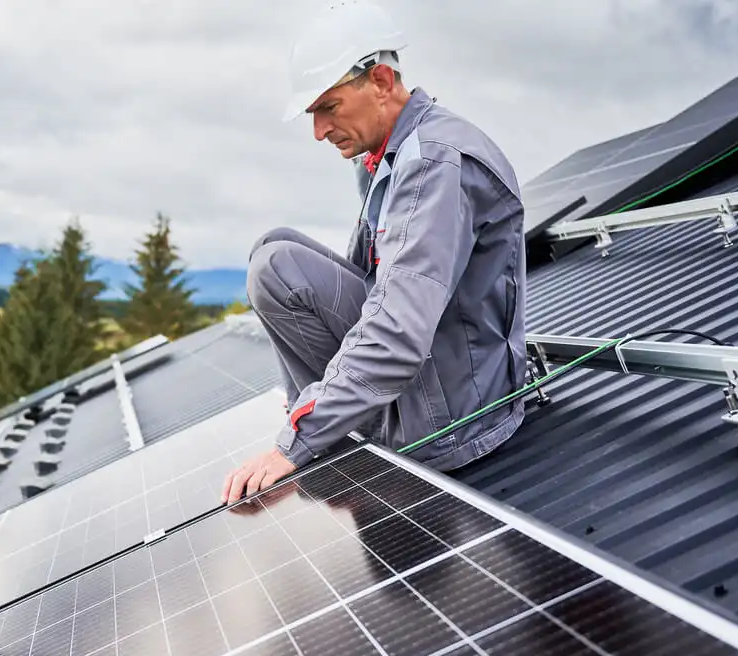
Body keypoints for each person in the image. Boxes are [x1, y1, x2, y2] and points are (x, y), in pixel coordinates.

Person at [222, 0, 527, 504]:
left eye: (328, 107)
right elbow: (372, 283)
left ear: (381, 81)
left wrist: (296, 441)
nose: (318, 131)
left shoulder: (434, 164)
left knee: (274, 268)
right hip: (434, 380)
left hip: (452, 420)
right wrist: (310, 411)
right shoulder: (388, 157)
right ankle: (325, 416)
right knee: (273, 249)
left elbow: (398, 328)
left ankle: (329, 427)